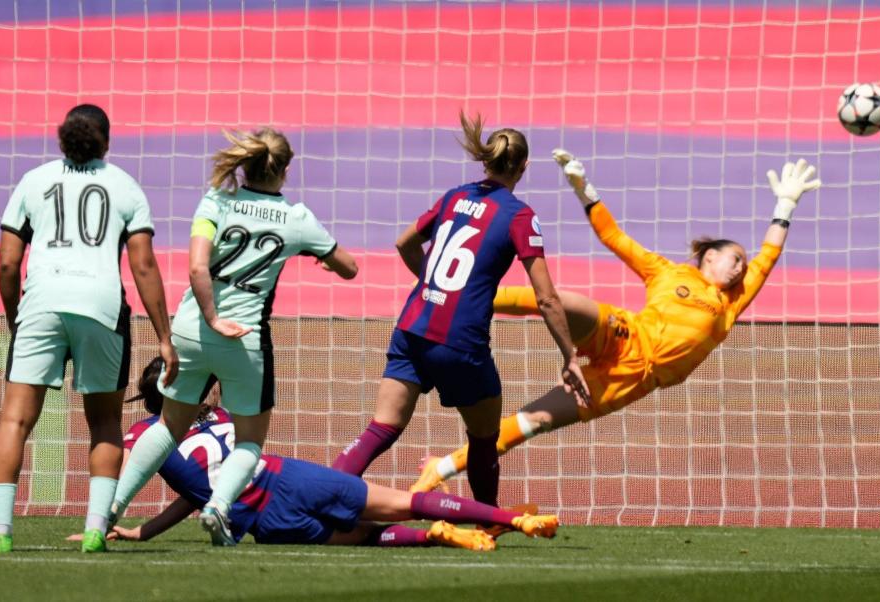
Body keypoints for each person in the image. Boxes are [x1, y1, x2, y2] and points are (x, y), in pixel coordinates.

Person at [411, 152, 822, 493]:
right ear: (709, 256)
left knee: (531, 422)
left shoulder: (730, 303)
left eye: (742, 266)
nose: (740, 269)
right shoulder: (667, 272)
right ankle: (461, 297)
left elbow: (767, 258)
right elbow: (615, 238)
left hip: (631, 379)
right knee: (562, 302)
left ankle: (441, 468)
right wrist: (583, 188)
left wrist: (785, 207)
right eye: (735, 259)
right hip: (625, 334)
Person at [110, 128, 359, 546]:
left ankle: (109, 509)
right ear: (284, 170)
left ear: (244, 166)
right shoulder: (297, 218)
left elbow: (196, 268)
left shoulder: (217, 200)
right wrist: (323, 259)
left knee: (169, 427)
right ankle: (218, 508)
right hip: (243, 339)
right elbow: (349, 267)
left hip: (190, 331)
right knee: (249, 441)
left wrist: (209, 315)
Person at [331, 112, 587, 507]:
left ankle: (318, 496)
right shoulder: (520, 216)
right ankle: (487, 518)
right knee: (485, 436)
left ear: (485, 161)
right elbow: (548, 297)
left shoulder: (454, 197)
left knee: (382, 427)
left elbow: (404, 244)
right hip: (459, 342)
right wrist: (569, 354)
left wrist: (432, 285)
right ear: (524, 167)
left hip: (412, 327)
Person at [96, 358, 558, 551]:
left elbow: (194, 492)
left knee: (363, 538)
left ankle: (438, 536)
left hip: (262, 520)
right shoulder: (218, 415)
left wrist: (124, 526)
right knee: (404, 501)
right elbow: (198, 494)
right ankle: (510, 518)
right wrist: (144, 531)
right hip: (287, 476)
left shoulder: (148, 435)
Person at [0, 104, 178, 553]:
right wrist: (165, 337)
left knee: (15, 419)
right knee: (105, 420)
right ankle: (95, 529)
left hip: (41, 304)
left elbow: (8, 263)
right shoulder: (125, 187)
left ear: (62, 139)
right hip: (101, 306)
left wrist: (15, 316)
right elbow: (144, 265)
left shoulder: (33, 182)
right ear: (106, 142)